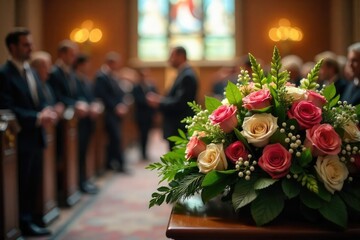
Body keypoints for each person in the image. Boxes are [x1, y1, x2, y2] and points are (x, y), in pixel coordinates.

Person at [0, 28, 56, 236]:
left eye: (30, 44)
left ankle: (32, 218)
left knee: (33, 180)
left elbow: (38, 99)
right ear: (12, 47)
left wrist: (46, 110)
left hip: (36, 135)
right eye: (26, 44)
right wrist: (36, 117)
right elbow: (6, 107)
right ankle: (22, 222)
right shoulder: (4, 74)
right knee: (22, 182)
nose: (31, 47)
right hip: (18, 138)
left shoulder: (30, 71)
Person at [146, 46, 198, 150]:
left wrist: (158, 101)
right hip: (176, 125)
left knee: (177, 160)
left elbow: (180, 103)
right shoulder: (183, 73)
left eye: (172, 56)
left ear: (181, 56)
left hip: (179, 127)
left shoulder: (187, 75)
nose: (169, 60)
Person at [94, 52, 129, 173]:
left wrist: (122, 104)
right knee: (115, 138)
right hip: (108, 113)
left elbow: (118, 93)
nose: (117, 66)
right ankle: (120, 164)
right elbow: (103, 95)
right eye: (116, 64)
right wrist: (115, 107)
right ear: (110, 63)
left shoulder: (112, 76)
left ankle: (110, 162)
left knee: (115, 139)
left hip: (115, 113)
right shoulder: (101, 76)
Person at [73, 54, 103, 193]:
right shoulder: (74, 79)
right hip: (79, 123)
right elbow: (76, 98)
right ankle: (80, 182)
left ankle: (84, 180)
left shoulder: (86, 80)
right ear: (80, 65)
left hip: (88, 121)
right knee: (79, 153)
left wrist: (95, 105)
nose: (88, 67)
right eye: (86, 64)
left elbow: (91, 97)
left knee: (85, 152)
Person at [132, 68, 157, 161]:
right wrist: (148, 101)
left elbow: (156, 97)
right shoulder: (136, 87)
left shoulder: (151, 86)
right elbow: (137, 99)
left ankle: (146, 151)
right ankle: (142, 152)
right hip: (141, 115)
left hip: (149, 115)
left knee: (147, 134)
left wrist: (155, 113)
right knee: (141, 134)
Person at [30, 51, 65, 117]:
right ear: (35, 68)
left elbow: (52, 102)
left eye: (50, 66)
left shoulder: (47, 84)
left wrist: (57, 107)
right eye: (45, 66)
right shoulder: (32, 87)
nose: (49, 70)